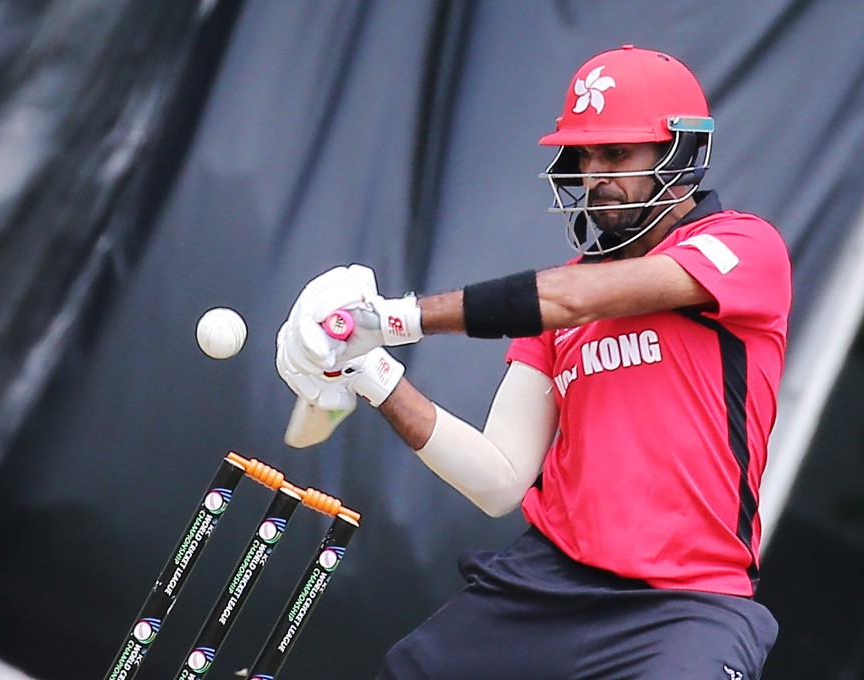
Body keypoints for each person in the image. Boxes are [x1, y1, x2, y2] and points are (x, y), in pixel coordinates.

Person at [275, 45, 791, 679]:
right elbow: (498, 480)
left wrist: (385, 318)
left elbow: (565, 300)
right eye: (587, 156)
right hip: (548, 583)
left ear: (680, 155)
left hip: (686, 608)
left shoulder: (741, 247)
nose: (597, 174)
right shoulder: (560, 308)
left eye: (619, 154)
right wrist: (370, 369)